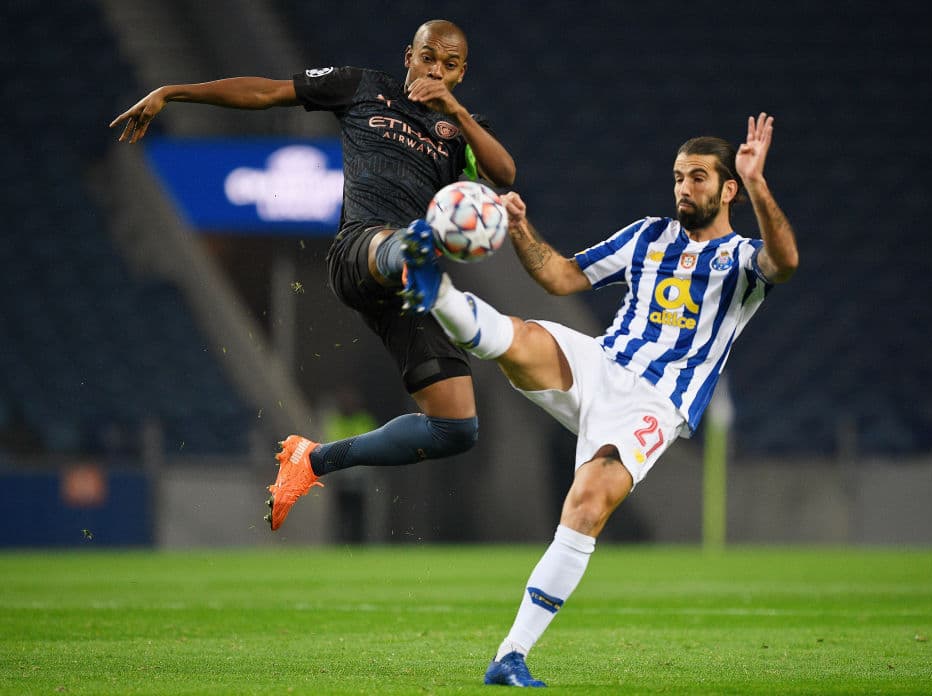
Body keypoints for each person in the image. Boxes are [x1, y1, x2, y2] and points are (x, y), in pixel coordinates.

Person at [402, 113, 798, 687]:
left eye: (698, 178)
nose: (684, 188)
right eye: (678, 177)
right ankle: (434, 289)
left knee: (586, 506)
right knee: (523, 340)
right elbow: (562, 277)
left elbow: (785, 263)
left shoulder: (741, 259)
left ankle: (509, 655)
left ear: (728, 188)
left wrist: (760, 181)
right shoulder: (647, 236)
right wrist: (520, 227)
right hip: (601, 362)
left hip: (656, 404)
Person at [110, 20, 516, 530]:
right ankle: (411, 252)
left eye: (449, 64)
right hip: (361, 252)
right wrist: (173, 92)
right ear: (408, 55)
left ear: (461, 73)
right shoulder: (362, 87)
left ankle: (312, 459)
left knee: (456, 428)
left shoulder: (459, 132)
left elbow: (505, 174)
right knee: (399, 246)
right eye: (428, 56)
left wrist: (454, 111)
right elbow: (266, 91)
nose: (436, 69)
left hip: (406, 290)